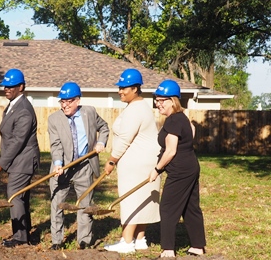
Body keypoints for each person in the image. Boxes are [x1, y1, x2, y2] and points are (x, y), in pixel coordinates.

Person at [102, 68, 161, 254]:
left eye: (124, 88)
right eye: (119, 87)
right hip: (147, 161)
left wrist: (111, 161)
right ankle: (140, 239)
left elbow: (124, 139)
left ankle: (127, 242)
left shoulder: (135, 110)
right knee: (142, 198)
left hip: (135, 162)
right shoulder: (142, 107)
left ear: (135, 88)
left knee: (129, 200)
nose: (120, 91)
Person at [47, 82, 109, 250]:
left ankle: (84, 241)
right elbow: (56, 145)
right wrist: (58, 164)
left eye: (69, 101)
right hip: (63, 168)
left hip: (84, 165)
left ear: (78, 100)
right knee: (57, 204)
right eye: (62, 101)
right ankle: (57, 241)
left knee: (85, 204)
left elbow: (104, 127)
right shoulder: (54, 119)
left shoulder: (89, 112)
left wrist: (101, 142)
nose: (65, 105)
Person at [149, 79, 206, 258]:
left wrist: (157, 169)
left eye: (161, 101)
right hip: (191, 166)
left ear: (173, 101)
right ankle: (198, 246)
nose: (158, 104)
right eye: (156, 100)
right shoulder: (183, 118)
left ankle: (167, 249)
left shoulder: (172, 121)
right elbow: (191, 133)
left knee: (167, 208)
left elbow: (171, 150)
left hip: (180, 171)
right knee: (190, 207)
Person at [0, 68, 40, 248]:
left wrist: (0, 163)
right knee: (22, 197)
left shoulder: (24, 110)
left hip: (24, 159)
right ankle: (24, 234)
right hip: (18, 159)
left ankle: (20, 238)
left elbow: (18, 141)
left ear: (21, 87)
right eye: (5, 86)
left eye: (11, 86)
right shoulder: (14, 105)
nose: (7, 89)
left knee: (14, 196)